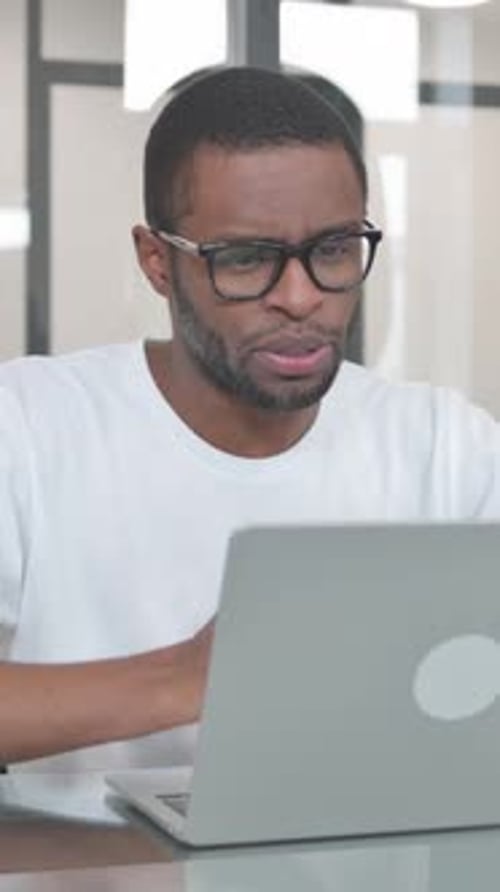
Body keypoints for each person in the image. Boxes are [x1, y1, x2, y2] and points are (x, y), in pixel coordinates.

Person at [1, 66, 499, 776]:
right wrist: (186, 680)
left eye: (332, 250)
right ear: (157, 262)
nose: (300, 298)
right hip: (84, 873)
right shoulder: (27, 429)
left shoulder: (445, 446)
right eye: (245, 260)